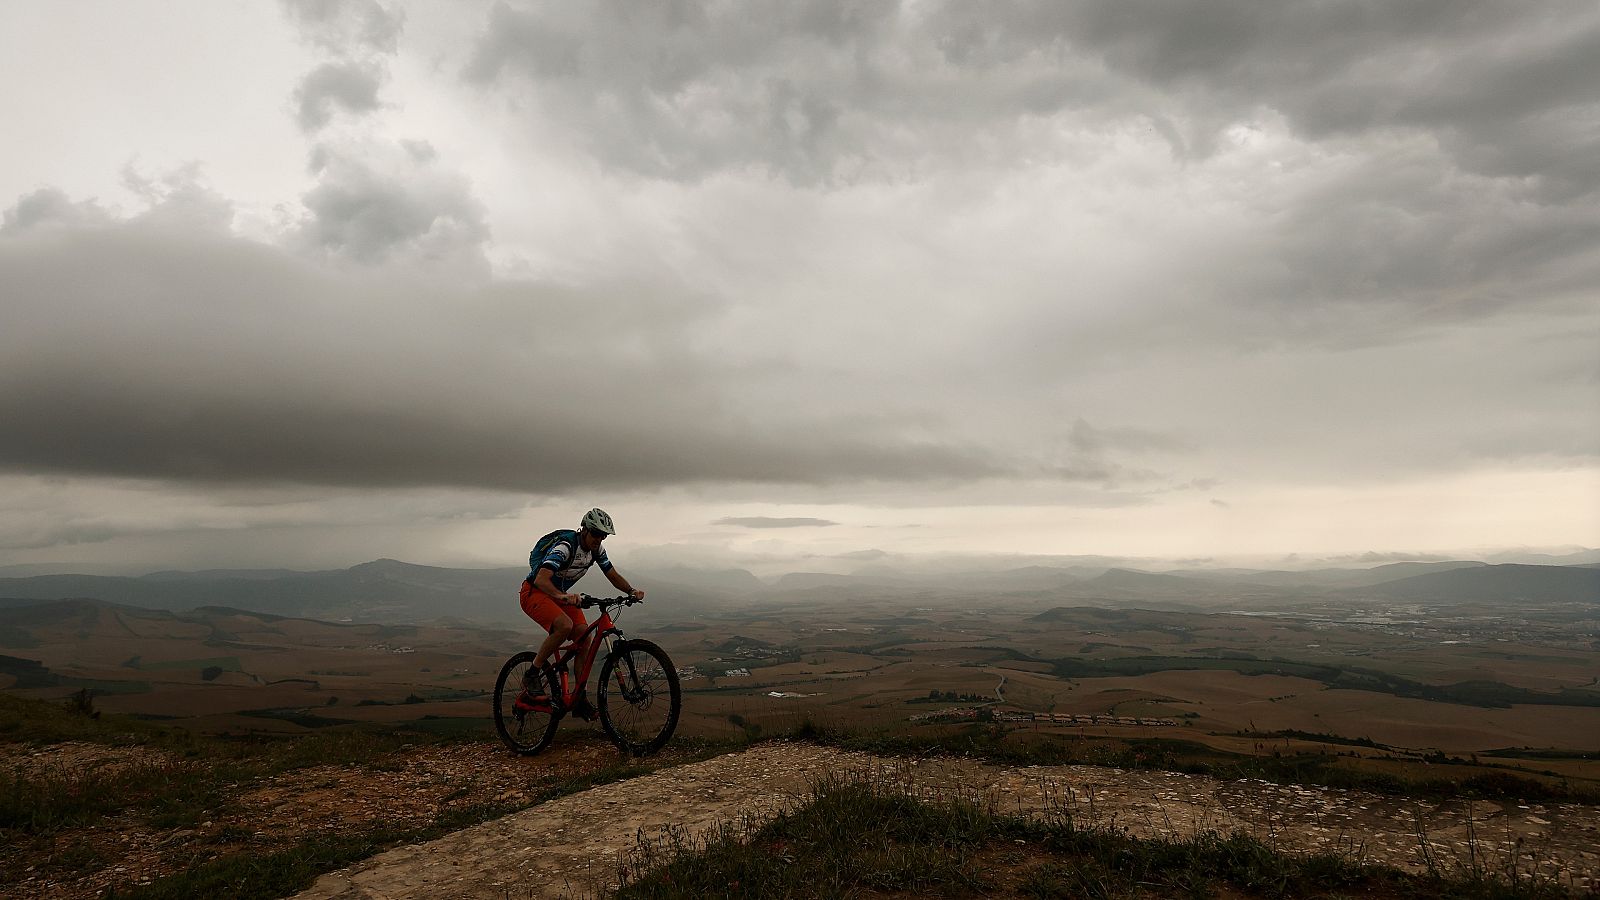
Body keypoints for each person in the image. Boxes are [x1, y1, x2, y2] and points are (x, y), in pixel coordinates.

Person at [519, 507, 645, 718]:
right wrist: (562, 597)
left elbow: (612, 574)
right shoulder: (565, 547)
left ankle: (579, 699)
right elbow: (541, 579)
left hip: (558, 594)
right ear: (584, 529)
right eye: (596, 533)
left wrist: (631, 590)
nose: (599, 539)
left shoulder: (597, 550)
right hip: (534, 593)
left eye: (603, 536)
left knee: (583, 637)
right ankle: (532, 673)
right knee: (564, 625)